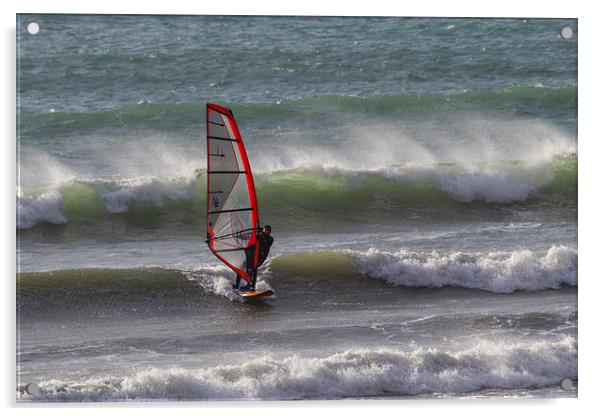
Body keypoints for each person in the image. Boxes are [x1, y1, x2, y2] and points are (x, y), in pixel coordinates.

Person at [234, 225, 273, 291]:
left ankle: (251, 286)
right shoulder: (258, 235)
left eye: (268, 230)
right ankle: (237, 285)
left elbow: (265, 243)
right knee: (240, 268)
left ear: (270, 232)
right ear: (263, 230)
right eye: (265, 230)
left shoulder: (270, 239)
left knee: (253, 269)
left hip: (260, 258)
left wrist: (259, 233)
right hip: (251, 256)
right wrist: (238, 235)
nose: (266, 231)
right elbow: (247, 237)